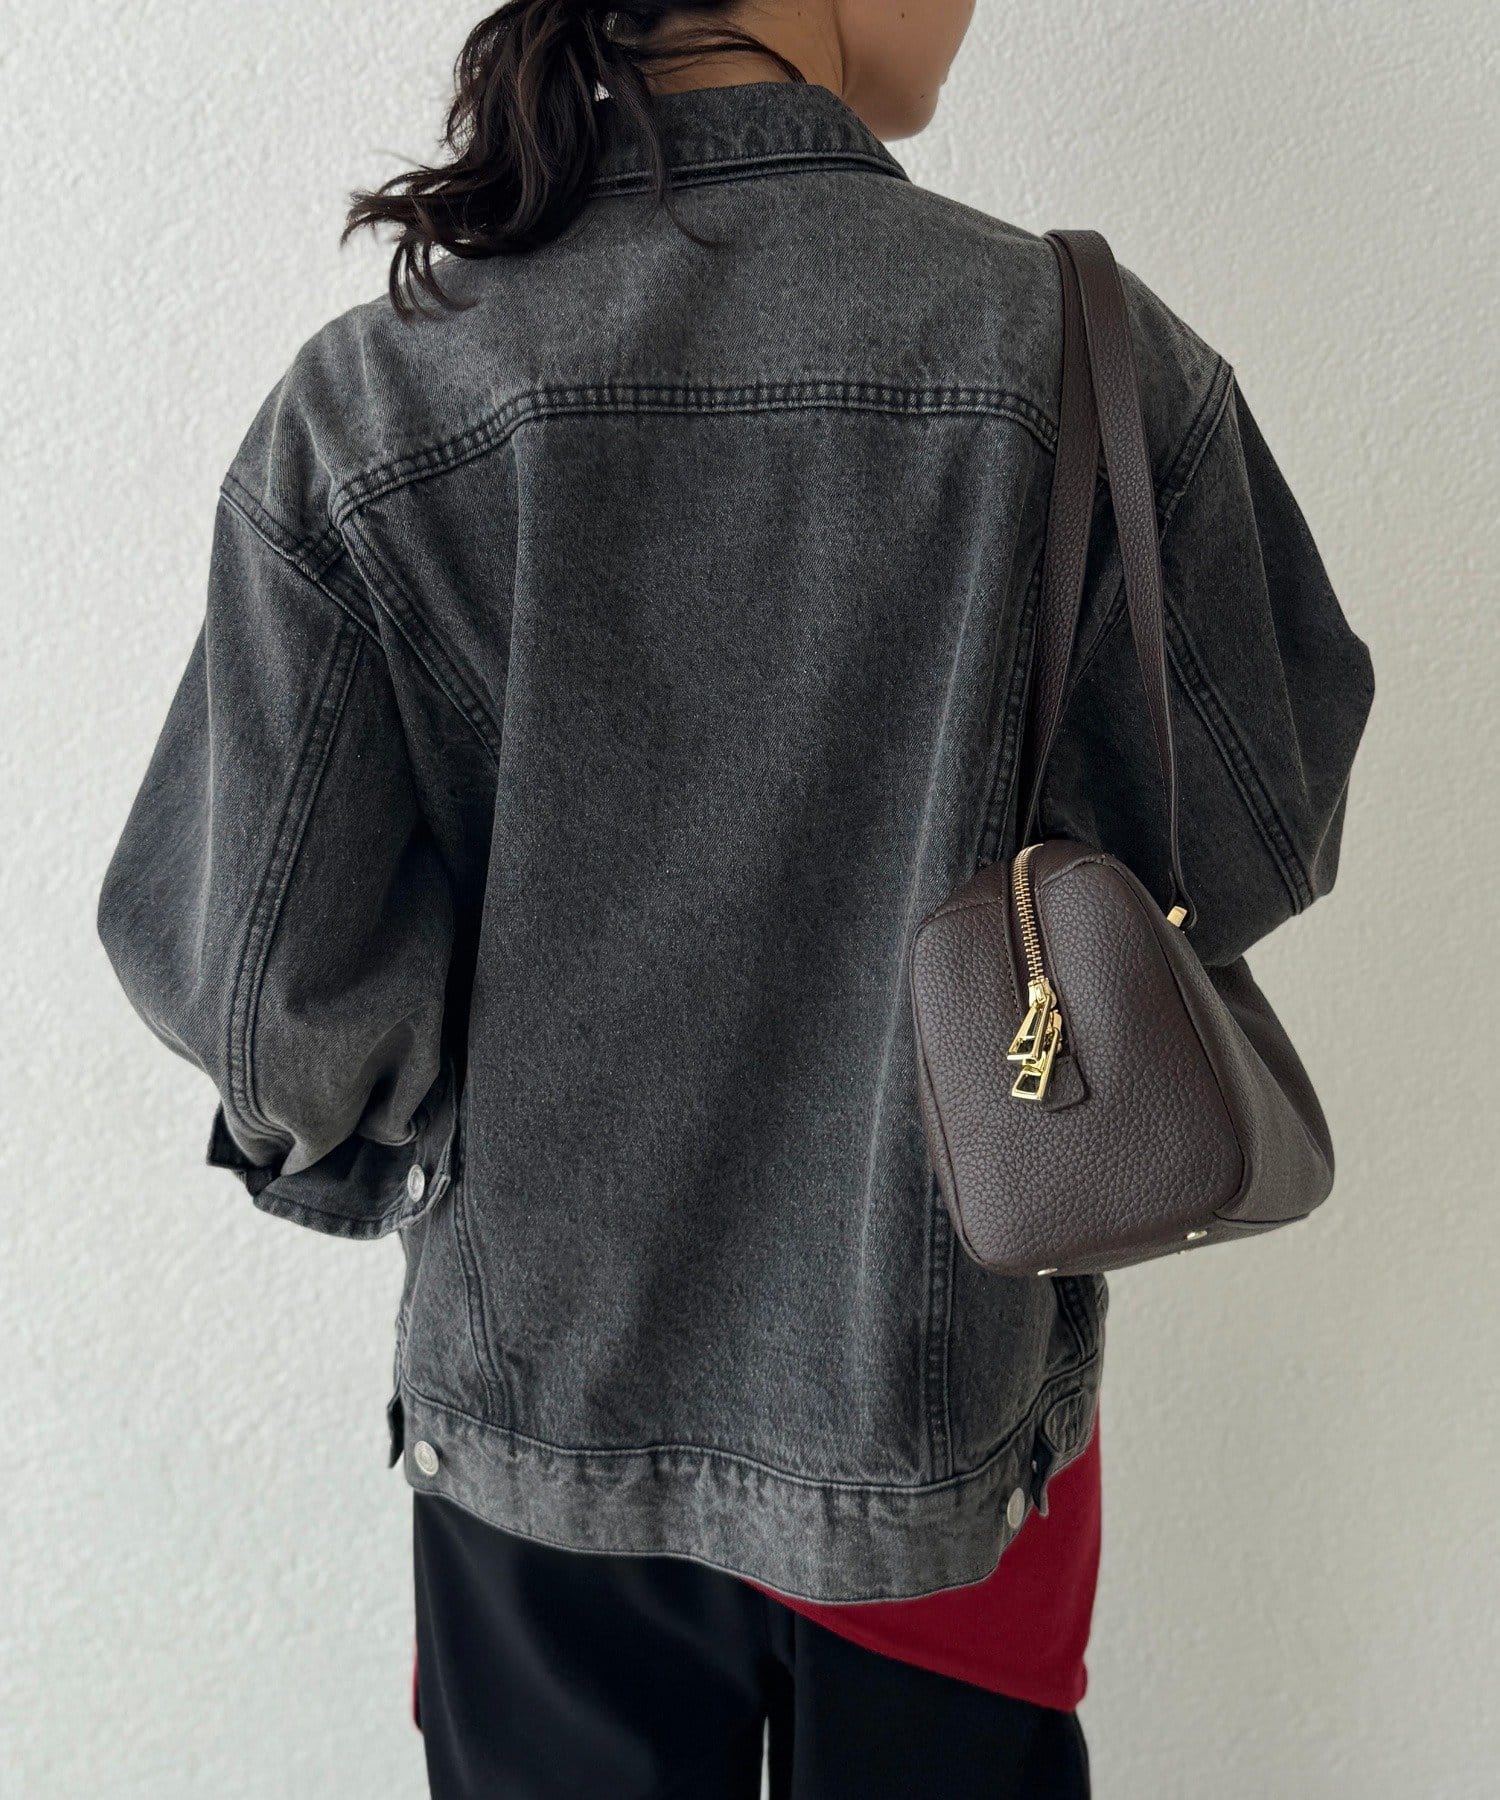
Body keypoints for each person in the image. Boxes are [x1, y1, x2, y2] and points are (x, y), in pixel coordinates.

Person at [97, 2, 1374, 1794]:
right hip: (943, 1432)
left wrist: (457, 1138)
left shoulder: (382, 398)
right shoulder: (1084, 354)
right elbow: (1254, 838)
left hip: (542, 1438)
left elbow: (267, 1000)